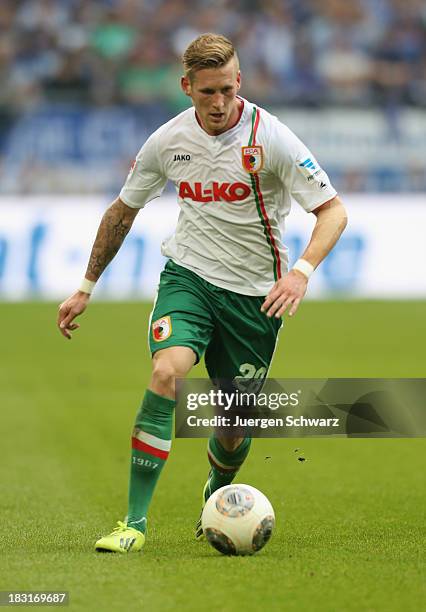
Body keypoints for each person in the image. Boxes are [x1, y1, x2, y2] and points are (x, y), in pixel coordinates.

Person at [57, 33, 347, 553]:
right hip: (189, 276)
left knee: (233, 425)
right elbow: (123, 211)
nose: (219, 104)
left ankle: (216, 488)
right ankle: (134, 524)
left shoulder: (272, 138)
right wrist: (85, 287)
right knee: (167, 372)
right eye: (207, 92)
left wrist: (300, 271)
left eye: (227, 91)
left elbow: (333, 211)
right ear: (186, 86)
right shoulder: (167, 141)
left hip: (256, 296)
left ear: (239, 81)